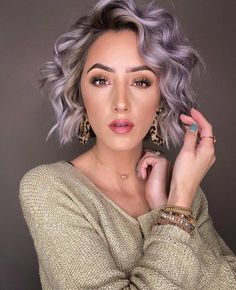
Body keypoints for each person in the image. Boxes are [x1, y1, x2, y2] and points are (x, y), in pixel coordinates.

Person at [19, 0, 236, 289]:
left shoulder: (182, 187)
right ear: (78, 93)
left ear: (161, 96)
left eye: (141, 82)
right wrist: (178, 208)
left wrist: (167, 204)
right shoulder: (48, 188)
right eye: (101, 80)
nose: (120, 102)